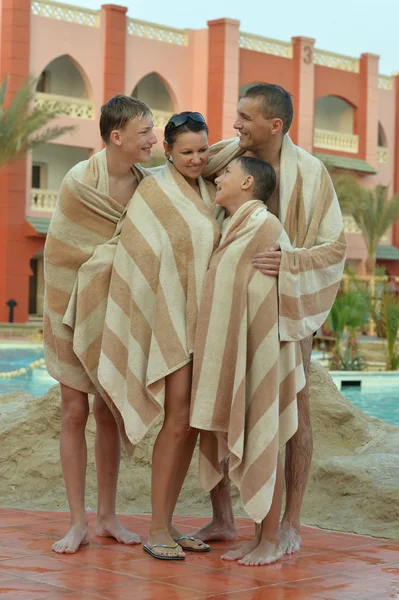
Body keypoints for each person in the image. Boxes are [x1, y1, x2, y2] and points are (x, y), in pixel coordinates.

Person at [193, 83, 347, 556]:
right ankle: (223, 518)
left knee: (292, 413)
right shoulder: (222, 160)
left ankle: (289, 521)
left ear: (274, 125)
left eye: (244, 117)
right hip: (223, 305)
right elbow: (180, 165)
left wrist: (291, 259)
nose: (235, 124)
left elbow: (335, 244)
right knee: (217, 401)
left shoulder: (312, 174)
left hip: (286, 310)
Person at [96, 112, 223, 560]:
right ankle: (155, 528)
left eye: (203, 150)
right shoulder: (151, 190)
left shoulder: (211, 187)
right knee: (177, 417)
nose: (196, 158)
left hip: (208, 323)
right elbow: (140, 255)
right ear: (167, 150)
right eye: (186, 151)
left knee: (191, 421)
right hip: (171, 319)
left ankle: (167, 524)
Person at [43, 95, 157, 554]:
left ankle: (107, 516)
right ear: (117, 137)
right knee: (74, 411)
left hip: (118, 308)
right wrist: (83, 294)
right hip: (70, 306)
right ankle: (77, 523)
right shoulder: (79, 182)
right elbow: (63, 250)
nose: (153, 139)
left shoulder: (148, 185)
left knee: (108, 412)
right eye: (145, 132)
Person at [191, 155, 306, 566]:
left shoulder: (265, 226)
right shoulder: (233, 228)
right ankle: (258, 538)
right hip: (236, 352)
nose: (218, 177)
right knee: (254, 435)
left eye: (227, 173)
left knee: (262, 437)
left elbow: (283, 282)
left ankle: (271, 539)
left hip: (261, 352)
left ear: (249, 182)